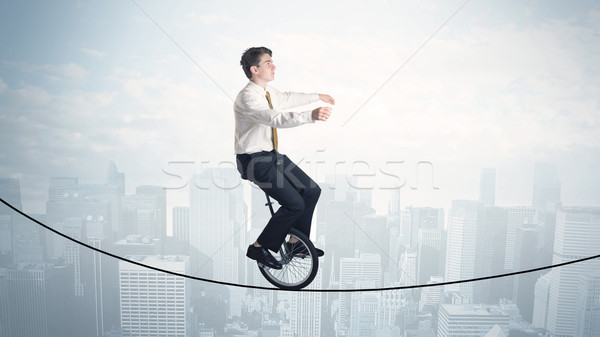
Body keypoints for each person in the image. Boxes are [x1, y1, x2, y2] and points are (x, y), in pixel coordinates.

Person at [234, 47, 334, 269]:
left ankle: (296, 244)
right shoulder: (248, 98)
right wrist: (310, 115)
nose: (274, 66)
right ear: (254, 69)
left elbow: (287, 99)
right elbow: (273, 117)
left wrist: (317, 96)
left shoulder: (268, 92)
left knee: (311, 190)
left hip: (271, 156)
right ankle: (259, 247)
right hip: (254, 161)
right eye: (268, 63)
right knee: (294, 204)